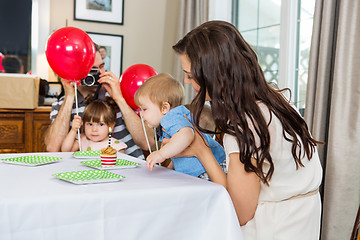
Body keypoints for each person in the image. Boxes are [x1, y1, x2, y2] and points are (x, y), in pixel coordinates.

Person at [172, 20, 323, 239]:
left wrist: (201, 151)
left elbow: (240, 212)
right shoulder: (276, 100)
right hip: (302, 222)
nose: (186, 81)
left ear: (213, 74)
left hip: (272, 228)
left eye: (191, 75)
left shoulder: (245, 123)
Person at [44, 43, 154, 158]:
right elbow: (53, 148)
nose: (100, 73)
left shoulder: (118, 94)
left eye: (101, 66)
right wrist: (70, 97)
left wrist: (119, 99)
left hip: (130, 166)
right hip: (93, 170)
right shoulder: (62, 104)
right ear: (78, 70)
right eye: (93, 70)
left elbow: (148, 143)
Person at [134, 73, 226, 180]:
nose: (141, 114)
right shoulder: (171, 121)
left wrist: (161, 154)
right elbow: (179, 152)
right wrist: (169, 170)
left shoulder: (171, 117)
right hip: (204, 169)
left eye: (144, 109)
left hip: (210, 169)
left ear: (164, 108)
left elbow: (187, 135)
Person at [61, 96, 127, 152]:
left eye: (101, 124)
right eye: (90, 124)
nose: (94, 129)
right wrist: (73, 130)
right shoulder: (82, 140)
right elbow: (65, 150)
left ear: (111, 126)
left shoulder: (116, 146)